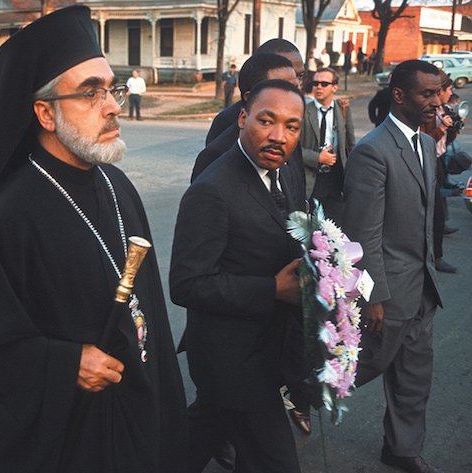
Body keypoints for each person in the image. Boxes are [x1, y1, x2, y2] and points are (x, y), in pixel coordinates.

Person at [0, 6, 187, 473]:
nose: (112, 105)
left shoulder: (117, 185)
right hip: (71, 440)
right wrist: (64, 364)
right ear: (45, 113)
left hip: (135, 412)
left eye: (112, 89)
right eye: (90, 93)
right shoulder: (4, 222)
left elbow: (146, 311)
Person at [171, 79, 306, 473]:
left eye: (292, 126)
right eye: (267, 121)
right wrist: (272, 290)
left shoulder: (284, 172)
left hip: (269, 349)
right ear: (244, 118)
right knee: (277, 462)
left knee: (199, 437)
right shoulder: (212, 189)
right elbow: (186, 283)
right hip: (234, 363)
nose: (279, 136)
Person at [342, 59, 443, 473]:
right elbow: (363, 235)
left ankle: (401, 450)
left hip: (422, 288)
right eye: (427, 94)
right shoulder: (373, 151)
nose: (437, 102)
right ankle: (270, 402)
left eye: (439, 92)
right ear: (399, 96)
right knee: (354, 369)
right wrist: (373, 297)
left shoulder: (423, 142)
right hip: (387, 294)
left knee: (414, 376)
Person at [192, 53, 298, 182]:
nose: (294, 97)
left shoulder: (290, 137)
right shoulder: (217, 160)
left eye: (295, 88)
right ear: (251, 98)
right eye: (281, 89)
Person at [205, 38, 306, 145]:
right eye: (284, 82)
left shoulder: (299, 116)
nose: (297, 87)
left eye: (299, 77)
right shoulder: (227, 122)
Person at [301, 67, 355, 223]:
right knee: (311, 228)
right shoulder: (304, 111)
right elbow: (294, 149)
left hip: (335, 180)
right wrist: (318, 158)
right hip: (311, 180)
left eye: (324, 83)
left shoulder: (343, 109)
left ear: (334, 87)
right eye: (315, 83)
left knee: (335, 228)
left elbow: (351, 145)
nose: (318, 87)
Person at [420, 70, 459, 274]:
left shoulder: (443, 109)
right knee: (433, 213)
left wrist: (452, 128)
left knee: (438, 210)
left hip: (439, 161)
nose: (450, 93)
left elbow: (447, 141)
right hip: (428, 162)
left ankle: (436, 256)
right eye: (449, 89)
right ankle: (436, 258)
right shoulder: (427, 112)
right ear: (440, 90)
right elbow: (425, 141)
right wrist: (442, 128)